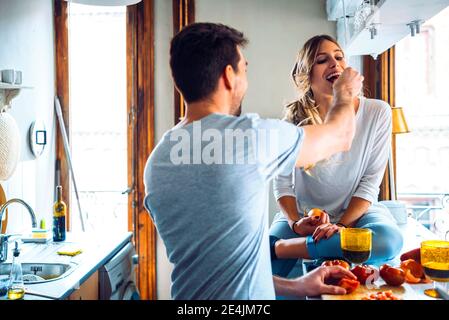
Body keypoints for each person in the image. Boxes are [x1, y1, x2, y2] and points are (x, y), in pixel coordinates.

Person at [144, 23, 362, 299]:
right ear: (228, 76)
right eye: (244, 69)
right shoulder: (249, 136)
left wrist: (297, 285)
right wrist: (345, 92)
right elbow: (340, 136)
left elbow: (217, 270)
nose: (246, 79)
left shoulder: (157, 162)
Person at [269, 35, 404, 278]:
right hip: (303, 217)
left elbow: (369, 184)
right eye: (322, 60)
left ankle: (284, 249)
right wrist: (295, 223)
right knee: (261, 267)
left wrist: (340, 227)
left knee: (389, 240)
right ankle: (310, 252)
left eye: (339, 57)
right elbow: (282, 183)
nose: (335, 63)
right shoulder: (291, 120)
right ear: (307, 74)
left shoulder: (377, 112)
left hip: (357, 215)